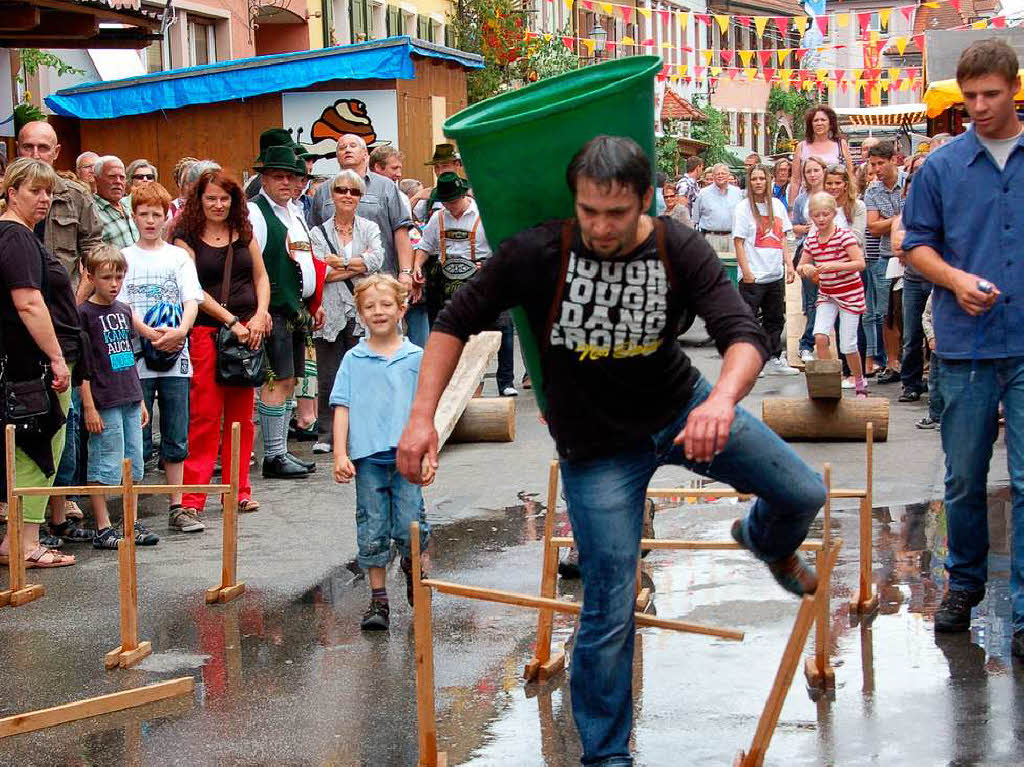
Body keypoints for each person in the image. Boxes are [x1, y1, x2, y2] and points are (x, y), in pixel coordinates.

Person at [396, 135, 825, 765]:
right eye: (589, 210)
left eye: (616, 214)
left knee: (803, 491)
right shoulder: (540, 251)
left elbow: (744, 335)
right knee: (609, 603)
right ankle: (605, 755)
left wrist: (721, 401)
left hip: (683, 410)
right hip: (596, 449)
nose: (600, 226)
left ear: (644, 201)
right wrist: (421, 418)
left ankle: (763, 537)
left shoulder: (678, 247)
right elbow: (456, 321)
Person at [902, 39, 1024, 656]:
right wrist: (952, 280)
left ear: (1013, 89)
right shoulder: (941, 167)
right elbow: (915, 245)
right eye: (969, 95)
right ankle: (965, 581)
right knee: (964, 478)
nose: (977, 106)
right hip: (963, 343)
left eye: (990, 95)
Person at [16, 122, 103, 537]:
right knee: (35, 428)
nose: (35, 153)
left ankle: (59, 506)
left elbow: (96, 255)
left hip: (65, 322)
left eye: (43, 147)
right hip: (22, 329)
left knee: (61, 427)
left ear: (57, 150)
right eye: (27, 146)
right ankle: (32, 522)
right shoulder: (11, 209)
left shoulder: (76, 197)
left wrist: (76, 303)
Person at [332, 274, 431, 630]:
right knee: (372, 526)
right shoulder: (353, 359)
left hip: (409, 458)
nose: (379, 311)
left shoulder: (417, 357)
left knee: (409, 524)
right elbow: (341, 406)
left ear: (402, 308)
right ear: (359, 313)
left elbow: (428, 410)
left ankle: (411, 565)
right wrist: (340, 453)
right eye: (370, 306)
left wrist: (430, 454)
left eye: (386, 304)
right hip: (368, 460)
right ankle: (378, 601)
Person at [173, 169, 272, 519]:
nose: (218, 204)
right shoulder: (185, 236)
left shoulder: (243, 233)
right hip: (207, 332)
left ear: (234, 201)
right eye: (211, 198)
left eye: (224, 198)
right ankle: (192, 498)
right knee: (204, 416)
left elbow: (261, 276)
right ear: (199, 200)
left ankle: (238, 490)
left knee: (242, 417)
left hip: (248, 333)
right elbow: (193, 289)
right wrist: (230, 321)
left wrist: (260, 314)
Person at [0, 158, 80, 569]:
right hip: (34, 369)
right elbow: (28, 302)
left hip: (32, 366)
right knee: (38, 451)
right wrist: (56, 359)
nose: (45, 198)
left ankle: (21, 540)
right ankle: (24, 544)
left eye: (49, 191)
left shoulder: (22, 236)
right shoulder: (14, 237)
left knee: (37, 449)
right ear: (11, 192)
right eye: (34, 190)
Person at [120, 183, 203, 534]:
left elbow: (192, 299)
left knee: (175, 430)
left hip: (176, 356)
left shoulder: (178, 257)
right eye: (144, 214)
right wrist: (146, 332)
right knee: (135, 435)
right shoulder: (124, 256)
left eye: (157, 214)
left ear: (167, 216)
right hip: (137, 355)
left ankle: (177, 505)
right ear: (133, 216)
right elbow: (121, 303)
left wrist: (181, 331)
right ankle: (131, 510)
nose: (150, 221)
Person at [249, 145, 323, 479]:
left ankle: (280, 451)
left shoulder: (293, 212)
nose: (286, 182)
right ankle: (274, 456)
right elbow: (255, 266)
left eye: (290, 176)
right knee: (276, 380)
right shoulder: (256, 213)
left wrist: (312, 303)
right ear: (263, 177)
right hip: (275, 309)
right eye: (277, 176)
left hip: (296, 309)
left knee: (291, 379)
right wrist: (259, 310)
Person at [415, 172, 517, 396]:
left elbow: (505, 246)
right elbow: (424, 246)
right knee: (455, 330)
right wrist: (416, 265)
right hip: (448, 279)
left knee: (501, 326)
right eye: (446, 202)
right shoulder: (438, 218)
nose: (450, 207)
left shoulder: (485, 216)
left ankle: (506, 381)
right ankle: (464, 384)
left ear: (463, 195)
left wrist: (490, 265)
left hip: (483, 275)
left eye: (453, 201)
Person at [78, 245, 152, 549]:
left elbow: (130, 356)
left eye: (119, 277)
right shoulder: (84, 313)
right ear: (91, 276)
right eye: (106, 277)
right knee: (103, 463)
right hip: (103, 399)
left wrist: (141, 399)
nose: (113, 284)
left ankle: (130, 521)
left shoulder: (123, 310)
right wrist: (88, 407)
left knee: (133, 462)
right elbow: (82, 365)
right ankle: (102, 525)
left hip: (130, 395)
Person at [308, 169, 385, 454]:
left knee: (365, 372)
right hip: (329, 311)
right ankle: (327, 434)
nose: (347, 196)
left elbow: (377, 259)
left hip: (362, 310)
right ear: (332, 195)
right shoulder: (317, 232)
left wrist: (338, 262)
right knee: (329, 375)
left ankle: (363, 432)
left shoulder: (370, 228)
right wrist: (355, 264)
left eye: (354, 192)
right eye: (341, 190)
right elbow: (321, 273)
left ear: (360, 197)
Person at [306, 134, 414, 284]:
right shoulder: (323, 191)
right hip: (336, 285)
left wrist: (406, 272)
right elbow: (314, 234)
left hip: (380, 280)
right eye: (342, 148)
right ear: (337, 156)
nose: (347, 150)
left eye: (353, 146)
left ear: (365, 154)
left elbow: (400, 230)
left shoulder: (385, 186)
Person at [797, 192, 869, 398]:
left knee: (848, 344)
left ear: (833, 214)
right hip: (827, 293)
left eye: (825, 214)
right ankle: (830, 382)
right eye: (816, 215)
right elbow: (802, 265)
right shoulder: (812, 240)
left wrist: (835, 266)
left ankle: (859, 381)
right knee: (819, 336)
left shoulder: (843, 236)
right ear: (811, 216)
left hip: (849, 294)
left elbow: (860, 263)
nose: (821, 219)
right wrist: (807, 270)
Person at [732, 165, 798, 376]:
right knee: (749, 319)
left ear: (768, 181)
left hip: (774, 273)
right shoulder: (743, 208)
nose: (758, 182)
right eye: (754, 179)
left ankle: (774, 358)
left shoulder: (777, 206)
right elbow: (739, 242)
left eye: (762, 178)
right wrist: (746, 271)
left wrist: (789, 264)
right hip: (754, 275)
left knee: (775, 319)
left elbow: (782, 238)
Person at [864, 142, 912, 394]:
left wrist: (888, 222)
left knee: (911, 309)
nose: (876, 169)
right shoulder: (872, 191)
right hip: (885, 256)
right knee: (888, 311)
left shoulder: (909, 182)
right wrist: (901, 218)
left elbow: (919, 216)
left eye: (880, 163)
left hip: (914, 254)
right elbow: (873, 227)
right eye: (872, 164)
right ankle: (892, 362)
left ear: (893, 160)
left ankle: (914, 361)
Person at [791, 156, 828, 362]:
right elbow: (794, 226)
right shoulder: (801, 199)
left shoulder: (833, 193)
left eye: (816, 170)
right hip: (808, 251)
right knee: (813, 301)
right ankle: (806, 344)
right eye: (808, 171)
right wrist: (803, 229)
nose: (813, 175)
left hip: (833, 252)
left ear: (823, 171)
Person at [790, 106, 854, 204]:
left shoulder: (841, 145)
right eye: (815, 120)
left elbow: (850, 175)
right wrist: (791, 207)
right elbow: (795, 180)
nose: (819, 123)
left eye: (823, 120)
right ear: (811, 124)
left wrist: (851, 199)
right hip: (809, 201)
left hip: (837, 200)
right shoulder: (801, 147)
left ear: (830, 123)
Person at [692, 163, 743, 253]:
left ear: (728, 175)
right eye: (717, 174)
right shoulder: (703, 194)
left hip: (732, 238)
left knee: (732, 265)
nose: (720, 176)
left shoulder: (737, 193)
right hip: (711, 238)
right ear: (713, 176)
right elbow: (696, 219)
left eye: (723, 173)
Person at [409, 143, 464, 224]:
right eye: (436, 167)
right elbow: (401, 217)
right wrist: (416, 197)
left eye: (445, 166)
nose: (440, 172)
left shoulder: (470, 193)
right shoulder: (429, 196)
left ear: (457, 165)